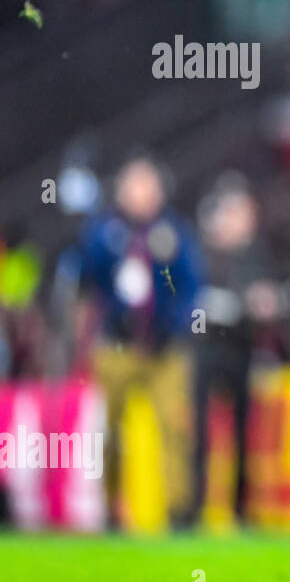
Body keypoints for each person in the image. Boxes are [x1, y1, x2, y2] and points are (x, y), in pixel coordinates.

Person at [78, 154, 204, 530]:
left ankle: (179, 511)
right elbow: (86, 277)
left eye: (148, 185)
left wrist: (176, 325)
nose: (141, 193)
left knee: (174, 427)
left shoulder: (174, 233)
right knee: (110, 430)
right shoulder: (104, 231)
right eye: (134, 185)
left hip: (164, 349)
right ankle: (110, 508)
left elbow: (190, 286)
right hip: (116, 346)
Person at [186, 174, 280, 527]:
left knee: (242, 431)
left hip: (241, 348)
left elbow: (270, 299)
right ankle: (196, 506)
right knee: (200, 432)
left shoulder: (257, 254)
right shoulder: (202, 252)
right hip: (207, 349)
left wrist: (263, 305)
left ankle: (241, 509)